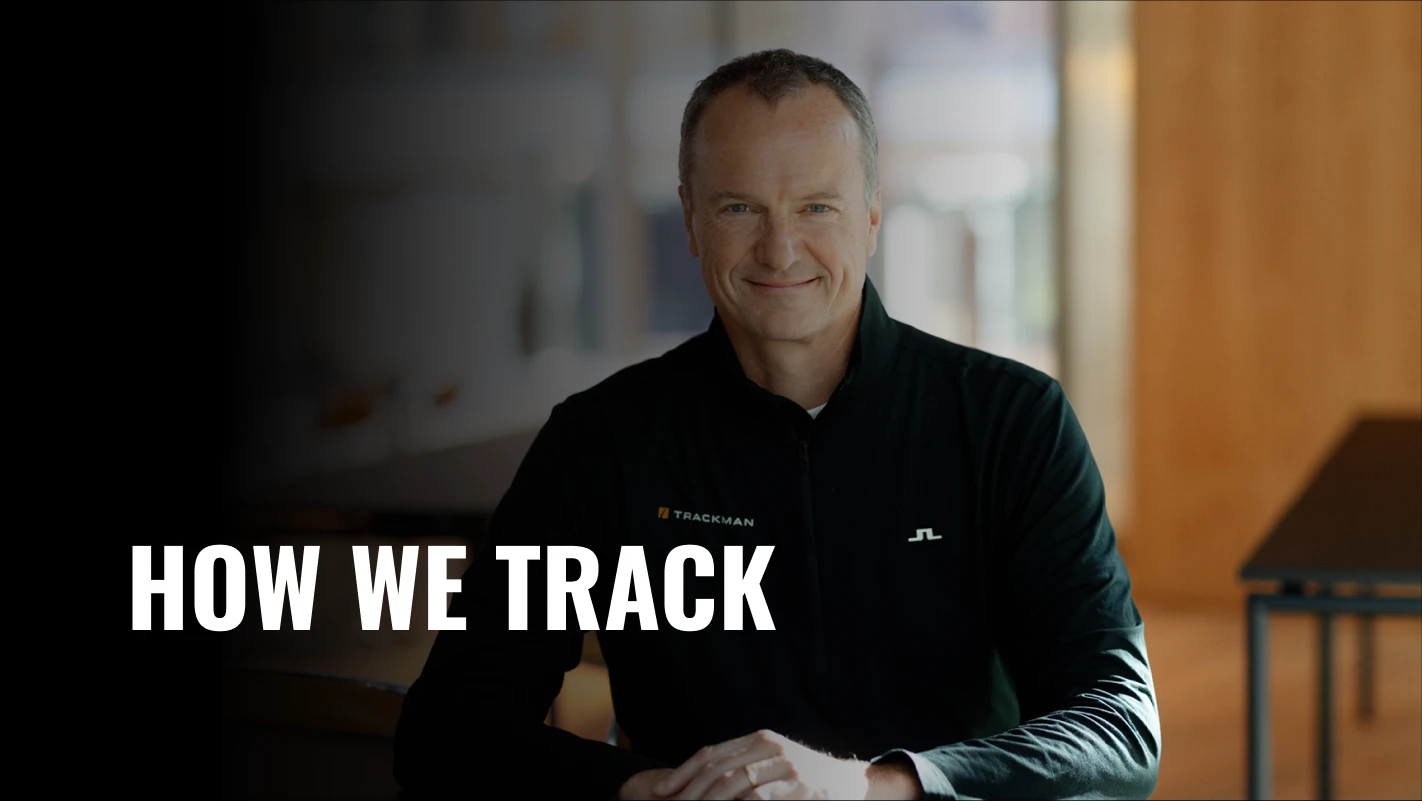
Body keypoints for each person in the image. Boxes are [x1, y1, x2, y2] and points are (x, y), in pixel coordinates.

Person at [393, 49, 1160, 800]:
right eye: (739, 208)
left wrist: (874, 785)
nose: (780, 249)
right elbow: (445, 726)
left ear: (871, 216)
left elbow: (1119, 727)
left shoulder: (1012, 422)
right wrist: (644, 788)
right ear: (690, 219)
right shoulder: (600, 443)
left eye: (816, 207)